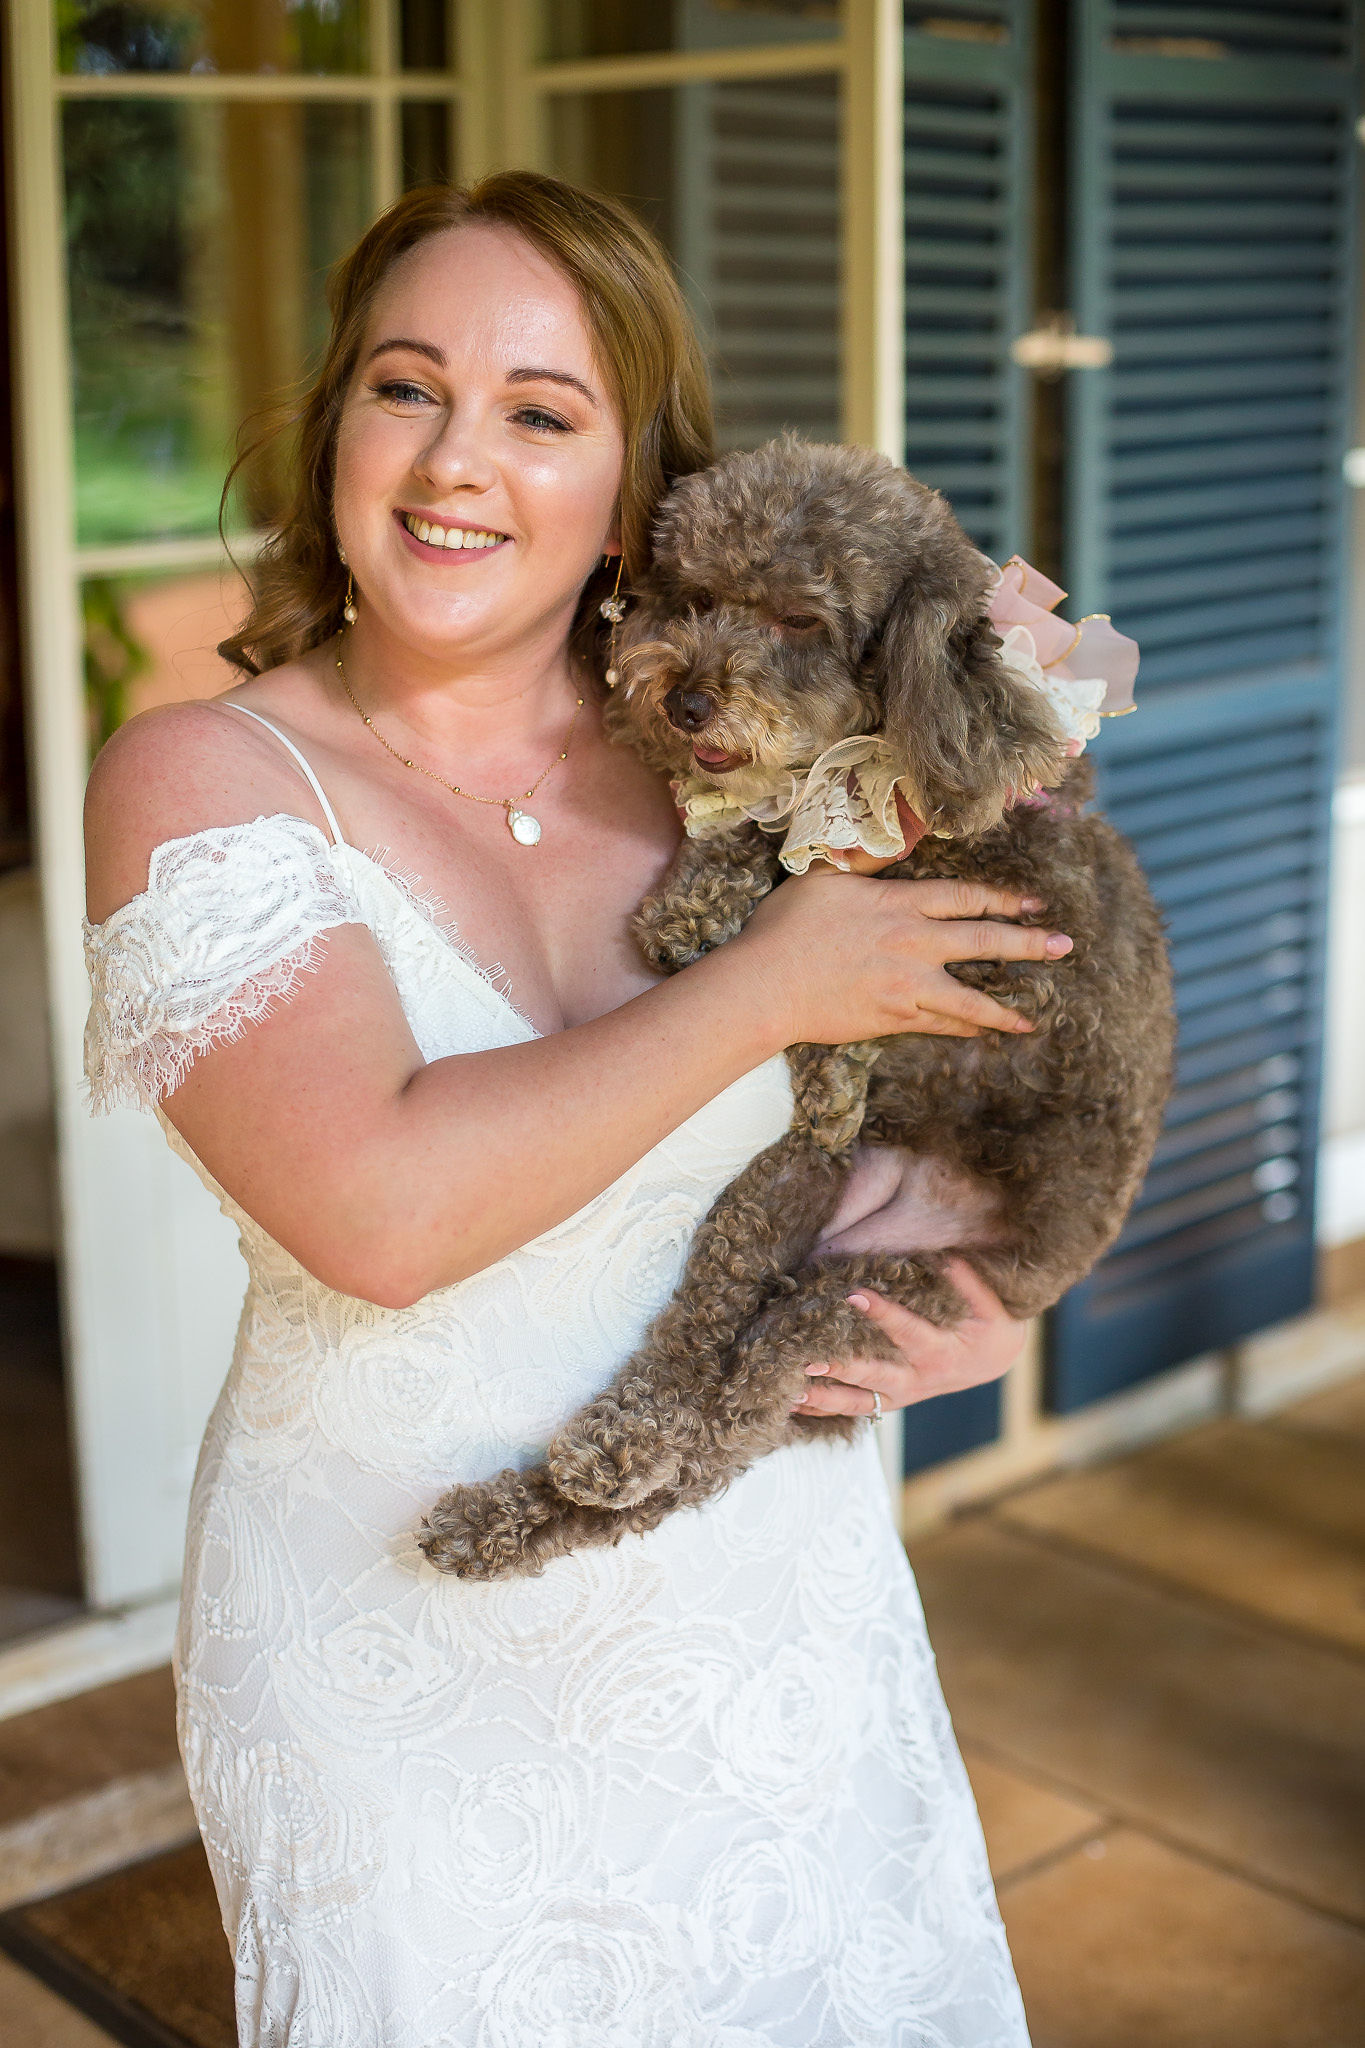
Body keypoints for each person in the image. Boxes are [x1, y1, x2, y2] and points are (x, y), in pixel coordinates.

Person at [82, 174, 1056, 2045]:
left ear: (635, 494)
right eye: (406, 386)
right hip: (398, 1650)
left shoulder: (747, 758)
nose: (459, 459)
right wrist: (766, 987)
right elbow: (373, 1212)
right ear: (333, 431)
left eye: (541, 412)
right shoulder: (205, 774)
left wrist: (982, 1274)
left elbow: (985, 1042)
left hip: (771, 1612)